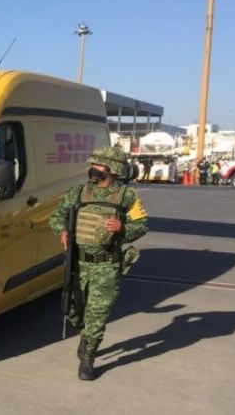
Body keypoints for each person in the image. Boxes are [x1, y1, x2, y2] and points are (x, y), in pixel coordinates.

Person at [49, 146, 150, 381]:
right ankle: (86, 335)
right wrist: (62, 230)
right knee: (74, 311)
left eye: (98, 166)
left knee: (98, 314)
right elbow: (57, 215)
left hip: (106, 266)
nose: (92, 169)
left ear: (112, 169)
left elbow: (143, 224)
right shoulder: (79, 192)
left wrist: (123, 228)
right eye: (92, 165)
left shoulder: (127, 196)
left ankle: (87, 360)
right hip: (78, 263)